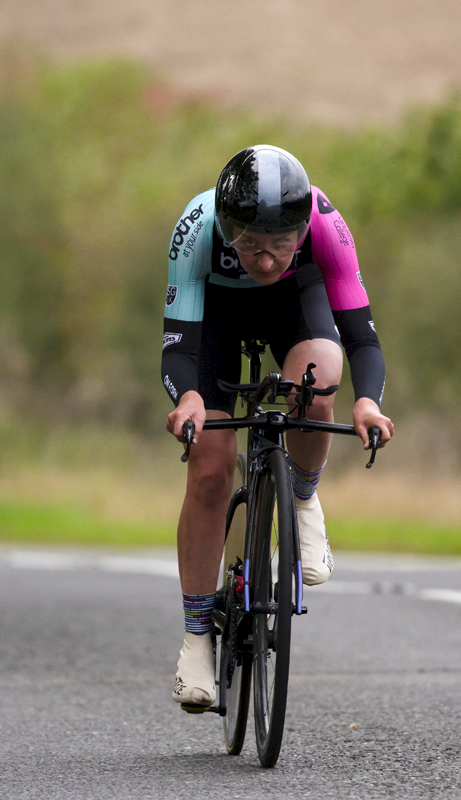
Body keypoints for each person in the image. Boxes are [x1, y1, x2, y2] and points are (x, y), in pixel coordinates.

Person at [162, 145, 394, 709]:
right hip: (216, 313)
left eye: (281, 245)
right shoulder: (196, 228)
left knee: (317, 386)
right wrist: (189, 397)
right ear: (225, 226)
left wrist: (366, 403)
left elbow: (360, 336)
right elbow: (177, 348)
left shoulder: (326, 225)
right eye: (249, 245)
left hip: (296, 305)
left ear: (301, 229)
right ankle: (197, 636)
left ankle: (303, 496)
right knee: (211, 466)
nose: (265, 262)